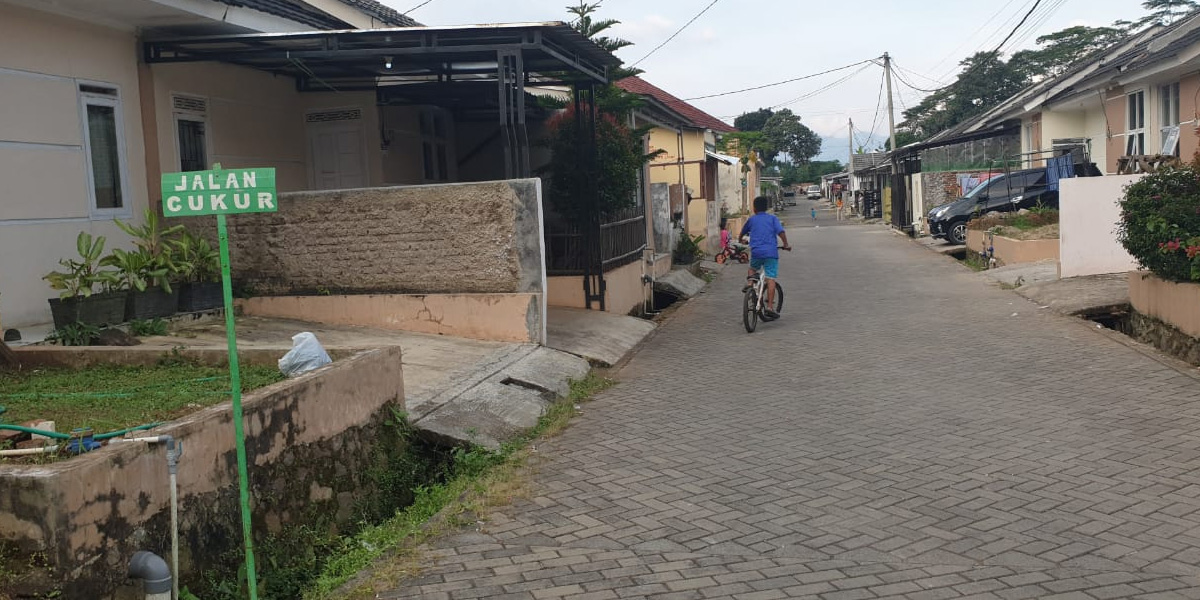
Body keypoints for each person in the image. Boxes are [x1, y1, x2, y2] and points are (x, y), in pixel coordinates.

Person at [739, 196, 790, 319]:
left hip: (756, 252)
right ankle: (770, 307)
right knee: (770, 278)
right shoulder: (772, 218)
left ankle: (750, 284)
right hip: (771, 253)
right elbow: (781, 232)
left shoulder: (752, 220)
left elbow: (742, 232)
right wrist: (786, 245)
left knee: (752, 268)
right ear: (767, 208)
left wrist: (741, 240)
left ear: (754, 208)